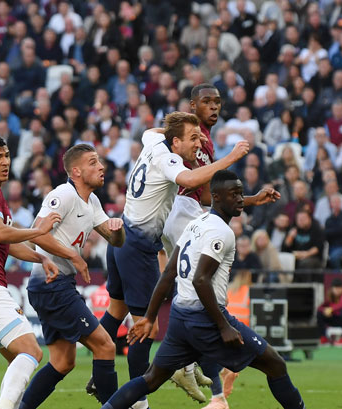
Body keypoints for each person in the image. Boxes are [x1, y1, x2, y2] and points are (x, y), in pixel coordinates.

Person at [101, 170, 306, 409]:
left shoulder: (195, 224)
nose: (240, 199)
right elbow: (201, 280)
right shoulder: (222, 232)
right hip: (204, 319)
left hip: (180, 317)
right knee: (276, 364)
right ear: (216, 197)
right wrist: (223, 326)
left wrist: (150, 317)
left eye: (241, 193)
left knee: (152, 379)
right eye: (234, 194)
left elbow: (169, 273)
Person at [98, 112, 249, 409]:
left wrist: (184, 131)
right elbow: (191, 179)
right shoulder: (169, 160)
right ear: (176, 141)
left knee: (116, 311)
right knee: (146, 328)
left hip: (123, 236)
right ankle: (139, 403)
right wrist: (230, 158)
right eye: (193, 138)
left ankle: (100, 376)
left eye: (200, 136)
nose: (199, 142)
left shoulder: (154, 140)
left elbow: (153, 130)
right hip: (138, 245)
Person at [158, 85, 279, 407]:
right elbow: (200, 187)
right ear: (192, 105)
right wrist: (233, 157)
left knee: (188, 293)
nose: (213, 107)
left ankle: (188, 365)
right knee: (204, 294)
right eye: (206, 102)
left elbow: (213, 193)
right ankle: (213, 391)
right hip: (183, 211)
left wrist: (251, 199)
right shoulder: (192, 140)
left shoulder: (203, 142)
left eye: (217, 102)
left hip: (185, 214)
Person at [19, 144, 126, 408]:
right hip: (50, 284)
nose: (101, 167)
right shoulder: (63, 194)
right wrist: (74, 256)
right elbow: (37, 233)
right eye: (93, 162)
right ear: (76, 171)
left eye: (99, 161)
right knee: (106, 346)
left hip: (56, 284)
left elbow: (116, 240)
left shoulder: (92, 200)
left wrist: (118, 227)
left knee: (62, 362)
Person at [0, 135, 61, 409]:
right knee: (32, 351)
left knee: (18, 358)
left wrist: (40, 257)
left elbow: (6, 241)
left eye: (6, 155)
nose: (5, 162)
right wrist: (38, 231)